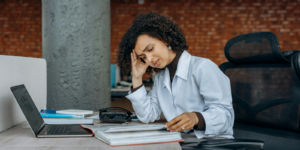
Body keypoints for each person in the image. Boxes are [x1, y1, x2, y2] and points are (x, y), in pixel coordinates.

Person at [116, 11, 234, 144]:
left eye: (150, 49)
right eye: (143, 57)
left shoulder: (202, 67)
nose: (149, 59)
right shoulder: (161, 77)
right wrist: (136, 78)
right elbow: (148, 115)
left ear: (165, 39)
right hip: (181, 142)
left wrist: (196, 118)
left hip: (212, 143)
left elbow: (226, 115)